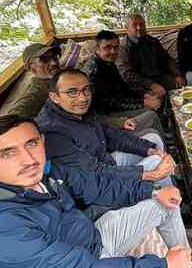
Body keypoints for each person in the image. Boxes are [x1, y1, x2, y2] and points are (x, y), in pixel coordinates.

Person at [0, 115, 192, 268]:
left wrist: (150, 191)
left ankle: (188, 266)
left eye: (31, 144)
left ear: (42, 142)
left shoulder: (43, 173)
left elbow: (96, 186)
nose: (28, 159)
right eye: (7, 153)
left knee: (166, 203)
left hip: (91, 238)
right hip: (86, 261)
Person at [36, 68, 174, 186]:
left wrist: (149, 149)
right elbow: (94, 172)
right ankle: (171, 198)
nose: (83, 98)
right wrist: (148, 174)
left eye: (86, 90)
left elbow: (110, 134)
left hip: (106, 161)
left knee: (153, 142)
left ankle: (170, 178)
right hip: (98, 184)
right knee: (156, 162)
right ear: (55, 97)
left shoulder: (79, 111)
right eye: (72, 92)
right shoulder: (52, 132)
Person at [81, 30, 164, 135]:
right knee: (151, 114)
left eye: (116, 47)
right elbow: (109, 103)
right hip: (104, 118)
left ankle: (159, 134)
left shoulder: (109, 63)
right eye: (107, 47)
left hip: (115, 107)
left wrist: (144, 95)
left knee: (153, 97)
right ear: (97, 48)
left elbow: (124, 87)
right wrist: (143, 102)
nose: (113, 51)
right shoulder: (93, 70)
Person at [117, 13, 185, 99]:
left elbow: (167, 60)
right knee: (157, 97)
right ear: (127, 28)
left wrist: (177, 75)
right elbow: (127, 74)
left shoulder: (152, 41)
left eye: (142, 25)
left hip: (159, 76)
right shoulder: (122, 47)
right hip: (139, 83)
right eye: (134, 25)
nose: (139, 28)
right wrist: (151, 85)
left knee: (181, 89)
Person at [4, 43, 61, 117]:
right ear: (31, 67)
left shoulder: (62, 74)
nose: (54, 62)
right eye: (44, 60)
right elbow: (16, 114)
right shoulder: (37, 91)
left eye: (54, 57)